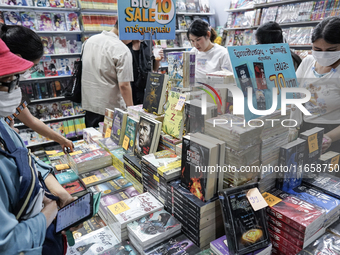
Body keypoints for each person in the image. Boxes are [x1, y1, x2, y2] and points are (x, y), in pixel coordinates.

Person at [0, 38, 79, 254]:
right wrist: (51, 208)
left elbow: (22, 157)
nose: (16, 87)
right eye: (9, 80)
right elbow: (8, 243)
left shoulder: (4, 124)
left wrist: (54, 193)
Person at [0, 24, 74, 152]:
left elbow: (30, 120)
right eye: (32, 66)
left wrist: (62, 140)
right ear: (17, 58)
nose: (30, 72)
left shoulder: (12, 90)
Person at [290, 16, 340, 153]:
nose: (323, 55)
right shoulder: (308, 62)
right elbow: (292, 92)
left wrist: (329, 137)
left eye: (331, 50)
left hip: (333, 135)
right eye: (317, 49)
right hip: (304, 128)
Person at [82, 22, 134, 127]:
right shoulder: (122, 49)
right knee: (111, 141)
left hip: (90, 105)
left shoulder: (90, 41)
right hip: (110, 109)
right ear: (129, 30)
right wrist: (132, 112)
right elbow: (124, 85)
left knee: (93, 140)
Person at [118, 21, 164, 105]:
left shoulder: (149, 42)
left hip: (146, 91)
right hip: (129, 90)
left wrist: (157, 60)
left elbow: (154, 68)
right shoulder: (124, 45)